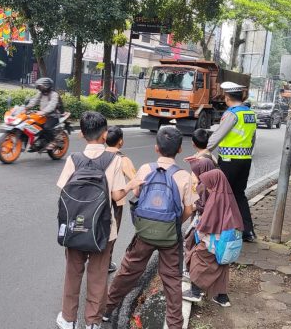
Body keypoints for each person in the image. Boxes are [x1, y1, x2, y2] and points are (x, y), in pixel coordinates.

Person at [103, 126, 197, 329]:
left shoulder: (145, 169)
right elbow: (189, 210)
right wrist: (174, 224)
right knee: (172, 281)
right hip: (170, 237)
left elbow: (137, 194)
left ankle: (107, 309)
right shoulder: (184, 177)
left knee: (128, 271)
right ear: (180, 150)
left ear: (156, 148)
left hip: (144, 233)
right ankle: (174, 325)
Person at [55, 112, 139, 329]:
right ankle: (92, 322)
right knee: (98, 275)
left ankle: (68, 319)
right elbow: (117, 196)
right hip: (103, 229)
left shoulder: (73, 159)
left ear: (82, 135)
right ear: (104, 134)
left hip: (75, 227)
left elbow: (64, 190)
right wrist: (131, 185)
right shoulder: (113, 160)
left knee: (73, 272)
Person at [182, 162, 244, 308]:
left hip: (214, 240)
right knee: (221, 266)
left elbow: (207, 223)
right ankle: (222, 297)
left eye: (209, 184)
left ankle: (195, 292)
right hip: (227, 241)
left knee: (197, 258)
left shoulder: (216, 198)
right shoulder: (228, 196)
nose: (208, 187)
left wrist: (198, 234)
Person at [205, 81, 257, 242]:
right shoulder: (250, 114)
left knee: (222, 193)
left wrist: (206, 150)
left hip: (229, 160)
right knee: (239, 194)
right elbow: (253, 138)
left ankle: (219, 229)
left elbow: (219, 134)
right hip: (245, 160)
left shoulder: (231, 114)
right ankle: (248, 231)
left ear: (227, 97)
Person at [105, 126, 138, 273]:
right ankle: (106, 262)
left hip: (97, 199)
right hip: (115, 201)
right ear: (121, 141)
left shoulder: (98, 154)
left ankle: (95, 258)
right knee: (112, 232)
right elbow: (135, 181)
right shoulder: (123, 159)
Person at [26, 77, 62, 150]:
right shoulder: (40, 93)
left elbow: (52, 105)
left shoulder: (54, 94)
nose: (39, 88)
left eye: (41, 86)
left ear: (47, 86)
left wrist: (43, 112)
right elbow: (34, 101)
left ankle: (53, 141)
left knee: (47, 127)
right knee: (31, 124)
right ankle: (38, 141)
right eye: (39, 87)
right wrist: (26, 107)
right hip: (42, 115)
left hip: (53, 116)